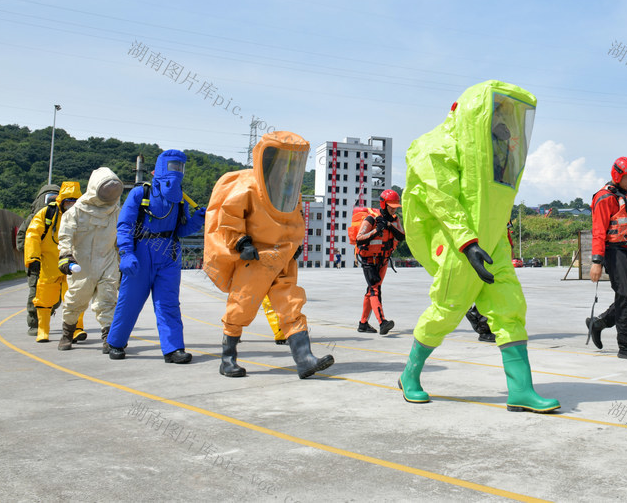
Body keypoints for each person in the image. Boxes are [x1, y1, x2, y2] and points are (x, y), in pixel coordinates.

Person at [398, 80, 559, 413]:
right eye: (497, 115)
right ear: (476, 114)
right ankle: (409, 375)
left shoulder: (493, 150)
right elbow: (443, 200)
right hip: (457, 241)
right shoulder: (432, 147)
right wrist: (467, 242)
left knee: (509, 308)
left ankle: (521, 390)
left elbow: (491, 197)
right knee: (447, 310)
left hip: (492, 239)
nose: (502, 125)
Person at [203, 131, 334, 379]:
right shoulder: (247, 187)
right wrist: (241, 242)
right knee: (241, 306)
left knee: (291, 305)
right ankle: (227, 359)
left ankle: (304, 359)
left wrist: (294, 246)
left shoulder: (288, 193)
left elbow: (295, 221)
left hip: (282, 257)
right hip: (255, 258)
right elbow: (229, 220)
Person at [107, 151, 206, 363]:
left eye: (180, 168)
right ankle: (115, 342)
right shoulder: (139, 194)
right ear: (161, 168)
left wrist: (197, 221)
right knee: (129, 302)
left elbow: (181, 230)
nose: (176, 172)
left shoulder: (180, 200)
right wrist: (126, 253)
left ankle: (173, 349)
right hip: (140, 253)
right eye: (172, 166)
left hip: (168, 254)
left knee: (168, 303)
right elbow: (125, 225)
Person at [585, 157, 627, 360]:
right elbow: (598, 232)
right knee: (626, 295)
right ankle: (625, 346)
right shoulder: (605, 198)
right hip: (614, 251)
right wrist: (596, 262)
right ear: (617, 175)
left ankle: (599, 323)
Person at [56, 168, 123, 352]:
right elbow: (65, 236)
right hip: (81, 263)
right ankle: (67, 334)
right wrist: (65, 256)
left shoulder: (116, 212)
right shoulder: (76, 212)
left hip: (107, 261)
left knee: (108, 300)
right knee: (75, 300)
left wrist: (124, 259)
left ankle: (108, 339)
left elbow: (121, 238)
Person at [24, 181, 83, 343]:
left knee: (75, 297)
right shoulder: (47, 213)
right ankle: (42, 330)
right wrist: (32, 258)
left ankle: (77, 329)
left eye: (74, 202)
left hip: (73, 264)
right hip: (49, 265)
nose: (71, 206)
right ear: (61, 201)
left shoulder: (82, 216)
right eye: (68, 202)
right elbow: (32, 235)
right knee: (44, 299)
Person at [354, 188, 404, 335]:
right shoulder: (371, 219)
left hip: (383, 260)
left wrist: (388, 226)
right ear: (384, 205)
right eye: (391, 206)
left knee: (371, 291)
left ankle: (363, 324)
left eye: (396, 207)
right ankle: (382, 322)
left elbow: (401, 236)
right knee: (375, 289)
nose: (394, 210)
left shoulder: (394, 220)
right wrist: (377, 230)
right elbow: (359, 238)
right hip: (369, 259)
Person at [17, 183, 60, 335]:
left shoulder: (62, 217)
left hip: (55, 262)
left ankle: (47, 312)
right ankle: (35, 323)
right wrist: (31, 253)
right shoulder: (32, 219)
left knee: (57, 294)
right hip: (36, 264)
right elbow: (21, 238)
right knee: (35, 292)